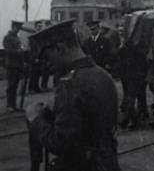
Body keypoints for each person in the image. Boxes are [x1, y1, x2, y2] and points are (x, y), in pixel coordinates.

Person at [25, 19, 121, 171]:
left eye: (47, 56)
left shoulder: (70, 84)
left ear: (59, 48)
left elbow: (60, 143)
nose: (47, 64)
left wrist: (35, 118)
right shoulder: (103, 75)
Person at [3, 20, 26, 112]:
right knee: (11, 86)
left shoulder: (16, 37)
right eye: (17, 27)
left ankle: (13, 105)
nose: (18, 30)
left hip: (18, 65)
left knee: (15, 85)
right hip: (12, 65)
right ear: (13, 27)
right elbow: (8, 51)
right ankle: (9, 105)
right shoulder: (7, 38)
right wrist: (19, 51)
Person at [29, 21, 44, 94]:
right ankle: (31, 89)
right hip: (34, 58)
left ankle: (36, 88)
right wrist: (35, 58)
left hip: (39, 58)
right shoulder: (33, 37)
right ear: (35, 27)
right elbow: (32, 49)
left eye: (41, 26)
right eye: (38, 26)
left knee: (37, 74)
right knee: (33, 74)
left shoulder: (39, 36)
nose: (40, 28)